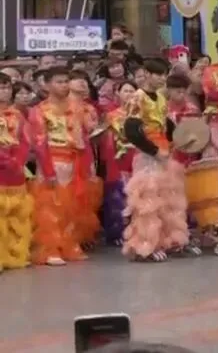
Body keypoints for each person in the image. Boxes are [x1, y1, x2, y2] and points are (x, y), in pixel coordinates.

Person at [120, 58, 191, 262]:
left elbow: (166, 125)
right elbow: (131, 130)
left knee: (167, 199)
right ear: (147, 74)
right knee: (147, 202)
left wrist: (179, 140)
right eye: (157, 74)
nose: (161, 78)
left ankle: (169, 241)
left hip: (163, 153)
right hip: (147, 154)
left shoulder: (160, 98)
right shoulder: (137, 98)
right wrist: (153, 150)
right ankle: (145, 245)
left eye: (164, 75)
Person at [29, 66, 101, 265]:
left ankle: (69, 244)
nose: (64, 85)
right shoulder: (39, 111)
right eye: (59, 82)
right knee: (50, 206)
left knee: (73, 205)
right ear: (47, 85)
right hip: (53, 160)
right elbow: (40, 143)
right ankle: (50, 248)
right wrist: (48, 171)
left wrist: (86, 166)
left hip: (74, 161)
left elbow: (84, 138)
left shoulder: (78, 108)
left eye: (66, 81)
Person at [100, 80, 139, 246]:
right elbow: (107, 140)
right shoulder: (111, 116)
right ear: (118, 94)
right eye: (125, 91)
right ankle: (118, 232)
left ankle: (138, 230)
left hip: (137, 155)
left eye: (132, 91)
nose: (129, 94)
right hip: (118, 157)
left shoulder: (141, 114)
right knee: (118, 195)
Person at [0, 72, 32, 271]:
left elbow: (25, 141)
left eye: (6, 87)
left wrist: (17, 161)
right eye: (0, 87)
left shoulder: (17, 115)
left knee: (16, 215)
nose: (4, 91)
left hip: (14, 171)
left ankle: (13, 253)